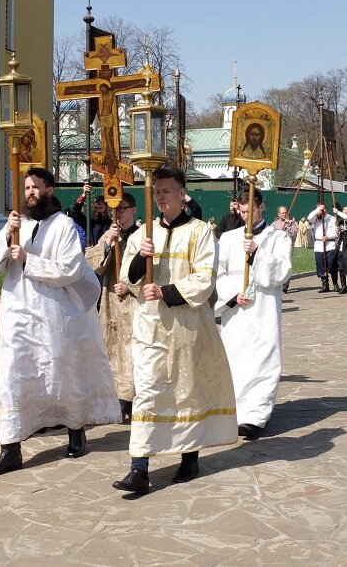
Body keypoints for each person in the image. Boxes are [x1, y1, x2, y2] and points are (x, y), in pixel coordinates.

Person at [0, 167, 120, 477]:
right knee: (13, 376)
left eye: (35, 187)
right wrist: (6, 233)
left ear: (50, 189)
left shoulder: (64, 225)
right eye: (26, 187)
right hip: (17, 313)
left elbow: (70, 269)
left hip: (53, 315)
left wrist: (29, 259)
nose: (30, 192)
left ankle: (74, 428)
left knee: (62, 373)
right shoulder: (17, 224)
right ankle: (11, 447)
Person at [113, 167, 237, 496]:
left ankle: (189, 456)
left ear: (182, 194)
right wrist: (141, 257)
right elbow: (127, 276)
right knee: (147, 391)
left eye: (168, 191)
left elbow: (204, 279)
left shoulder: (199, 233)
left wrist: (166, 291)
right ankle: (139, 467)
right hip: (150, 327)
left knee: (187, 391)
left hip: (187, 327)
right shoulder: (143, 234)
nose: (161, 196)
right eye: (157, 191)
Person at [216, 189, 292, 440]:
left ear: (262, 207)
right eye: (242, 211)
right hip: (236, 307)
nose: (246, 216)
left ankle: (256, 415)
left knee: (262, 357)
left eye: (251, 210)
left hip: (263, 307)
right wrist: (232, 295)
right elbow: (217, 273)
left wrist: (258, 250)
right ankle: (235, 409)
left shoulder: (278, 237)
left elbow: (282, 272)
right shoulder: (227, 238)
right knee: (236, 358)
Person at [85, 193, 141, 422]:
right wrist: (108, 242)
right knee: (111, 351)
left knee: (131, 352)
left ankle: (129, 399)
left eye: (123, 208)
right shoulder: (109, 235)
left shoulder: (142, 235)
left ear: (134, 210)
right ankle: (113, 397)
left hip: (135, 303)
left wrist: (129, 287)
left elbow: (154, 269)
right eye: (115, 209)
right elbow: (91, 265)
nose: (119, 213)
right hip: (110, 302)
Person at [307, 202, 338, 292]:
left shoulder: (332, 218)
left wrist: (328, 236)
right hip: (319, 245)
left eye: (322, 210)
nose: (320, 212)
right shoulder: (316, 219)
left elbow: (336, 232)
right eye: (318, 210)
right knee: (321, 266)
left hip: (330, 245)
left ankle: (335, 284)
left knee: (331, 265)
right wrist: (318, 210)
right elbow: (309, 217)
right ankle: (325, 285)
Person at [272, 205, 298, 293]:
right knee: (278, 265)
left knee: (287, 265)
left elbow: (294, 234)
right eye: (282, 213)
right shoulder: (274, 224)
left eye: (285, 212)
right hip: (277, 248)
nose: (284, 214)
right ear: (278, 214)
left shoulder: (291, 223)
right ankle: (278, 283)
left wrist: (289, 224)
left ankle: (285, 285)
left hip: (288, 247)